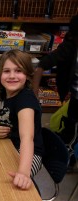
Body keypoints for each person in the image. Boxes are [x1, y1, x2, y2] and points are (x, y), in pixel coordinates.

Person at [0, 49, 44, 190]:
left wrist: (23, 172)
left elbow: (27, 138)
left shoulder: (25, 100)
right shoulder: (1, 91)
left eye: (18, 71)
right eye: (6, 71)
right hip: (8, 144)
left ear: (27, 75)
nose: (12, 76)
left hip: (29, 153)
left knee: (9, 186)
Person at [32, 14, 78, 145]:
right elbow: (41, 66)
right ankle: (68, 153)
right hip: (75, 98)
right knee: (71, 129)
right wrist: (35, 93)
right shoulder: (69, 48)